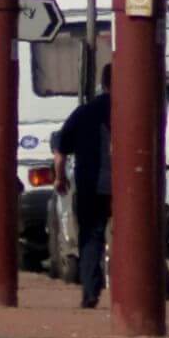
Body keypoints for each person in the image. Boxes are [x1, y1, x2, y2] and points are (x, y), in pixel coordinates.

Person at [56, 63, 113, 309]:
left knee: (91, 237)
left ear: (104, 82)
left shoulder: (84, 112)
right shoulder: (134, 109)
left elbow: (60, 151)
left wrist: (60, 177)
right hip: (126, 185)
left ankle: (91, 291)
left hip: (90, 184)